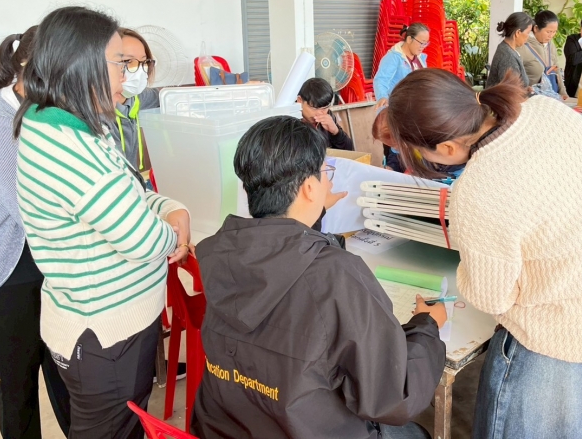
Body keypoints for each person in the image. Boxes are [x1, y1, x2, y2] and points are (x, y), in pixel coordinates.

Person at [386, 69, 582, 439]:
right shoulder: (549, 110)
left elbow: (491, 297)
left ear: (446, 148)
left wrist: (470, 265)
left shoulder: (480, 186)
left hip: (560, 352)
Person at [191, 115, 447, 439]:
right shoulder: (336, 274)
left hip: (227, 427)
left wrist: (314, 212)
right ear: (310, 188)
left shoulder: (220, 252)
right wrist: (426, 326)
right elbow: (395, 395)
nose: (328, 182)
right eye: (326, 173)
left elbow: (283, 250)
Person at [14, 7, 192, 439]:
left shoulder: (72, 124)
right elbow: (141, 239)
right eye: (120, 64)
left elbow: (130, 192)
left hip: (104, 324)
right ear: (83, 65)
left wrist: (170, 207)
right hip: (103, 333)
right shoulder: (69, 146)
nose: (127, 78)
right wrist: (172, 233)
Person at [0, 28, 71, 439]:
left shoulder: (52, 112)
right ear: (27, 67)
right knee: (19, 379)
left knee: (65, 374)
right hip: (6, 267)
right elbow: (28, 207)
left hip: (50, 260)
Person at [373, 23, 429, 171]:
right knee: (397, 150)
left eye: (426, 43)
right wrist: (382, 97)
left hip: (414, 114)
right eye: (421, 42)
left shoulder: (420, 58)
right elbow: (380, 80)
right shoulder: (393, 57)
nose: (423, 46)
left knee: (412, 150)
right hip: (396, 113)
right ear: (409, 39)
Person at [111, 27, 159, 174]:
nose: (139, 70)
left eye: (144, 62)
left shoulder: (139, 98)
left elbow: (166, 96)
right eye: (127, 61)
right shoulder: (97, 114)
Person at [518, 10, 568, 99]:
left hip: (551, 98)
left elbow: (556, 70)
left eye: (554, 32)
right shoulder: (523, 46)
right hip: (530, 99)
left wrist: (563, 92)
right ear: (536, 28)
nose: (551, 35)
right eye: (548, 32)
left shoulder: (550, 45)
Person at [297, 77, 354, 150]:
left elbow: (348, 149)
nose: (320, 113)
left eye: (325, 107)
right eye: (315, 108)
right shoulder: (292, 123)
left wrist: (336, 132)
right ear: (300, 101)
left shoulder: (328, 115)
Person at [485, 12, 532, 89]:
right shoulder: (508, 57)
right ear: (518, 33)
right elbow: (511, 91)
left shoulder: (506, 48)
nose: (528, 37)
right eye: (528, 33)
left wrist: (527, 89)